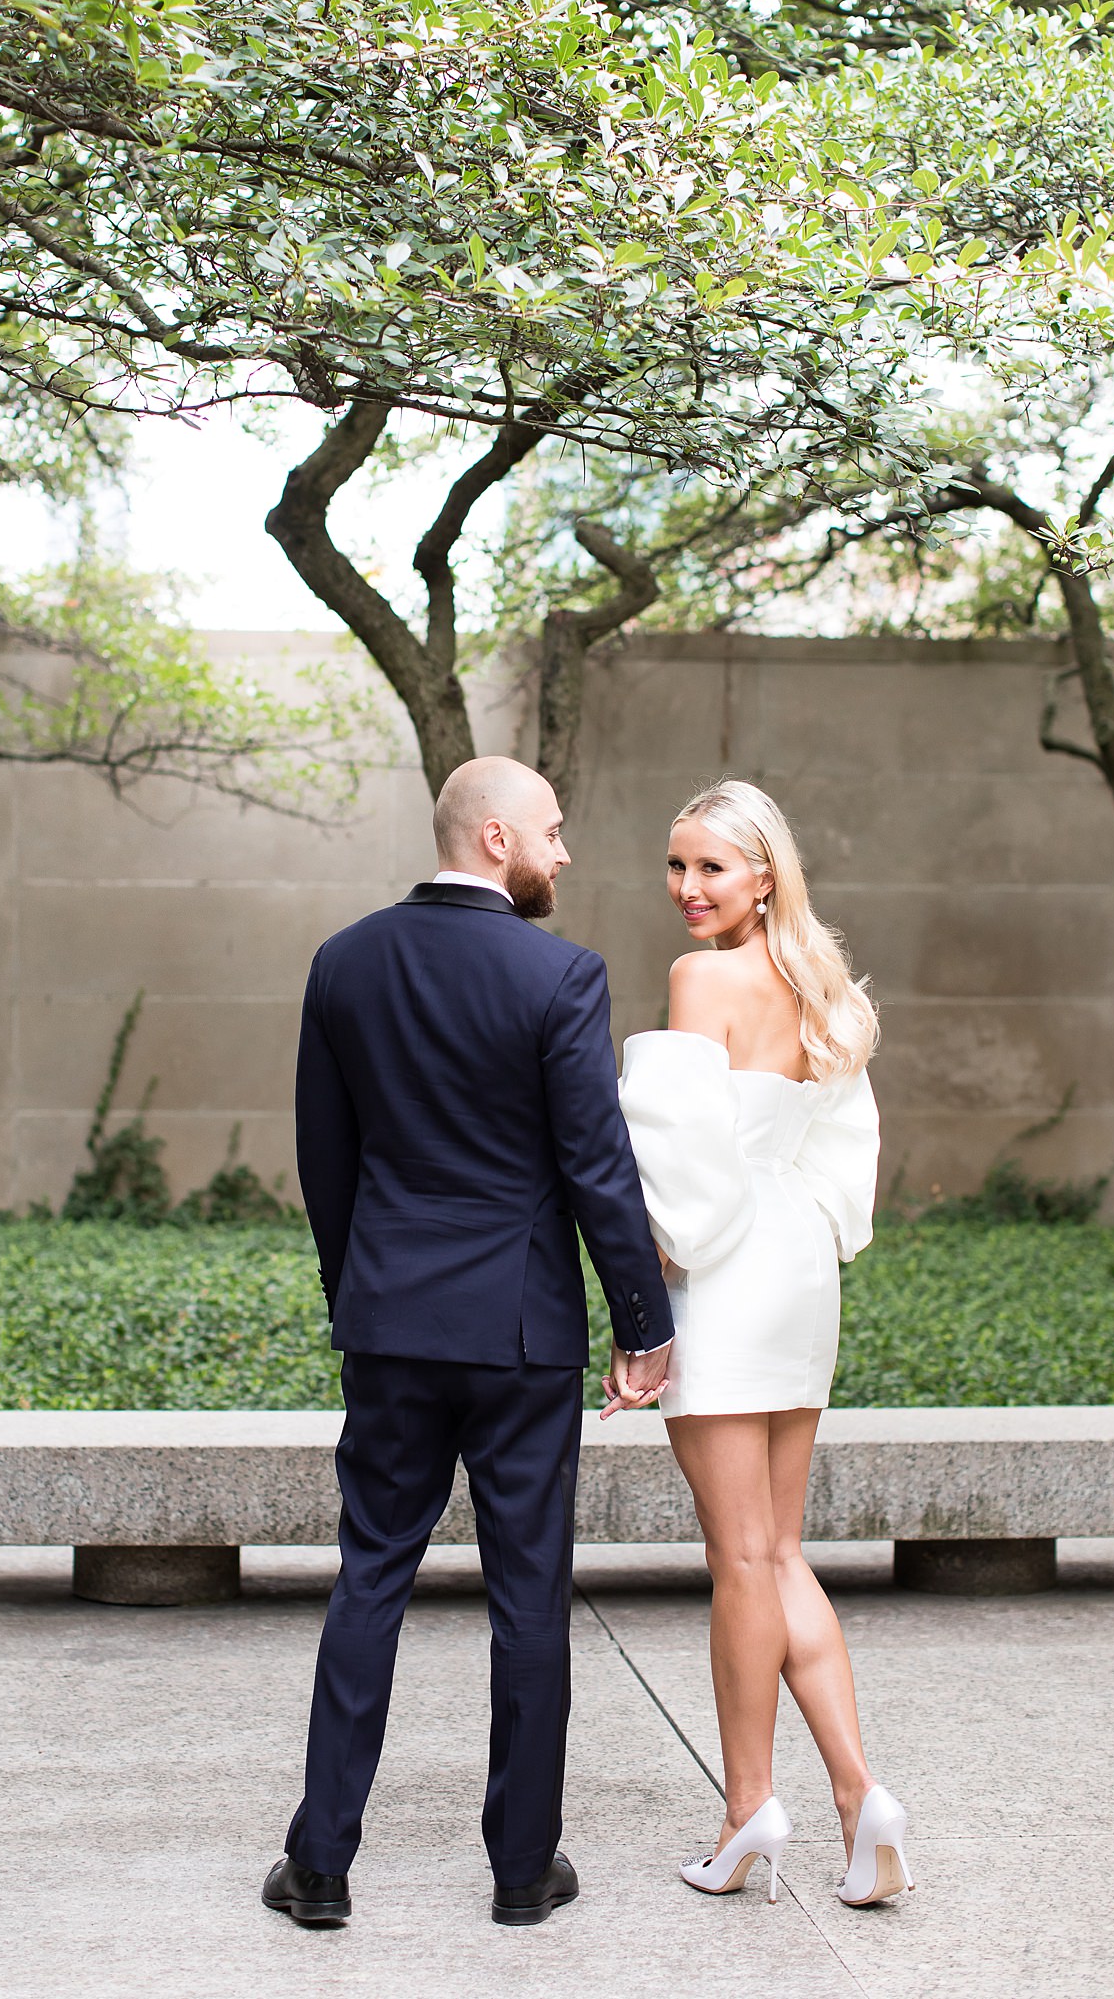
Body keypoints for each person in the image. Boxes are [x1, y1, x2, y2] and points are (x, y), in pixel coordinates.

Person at [263, 755, 674, 1931]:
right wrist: (643, 1327)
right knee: (530, 1595)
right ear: (495, 837)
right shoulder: (561, 975)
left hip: (392, 1318)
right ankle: (520, 1870)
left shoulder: (343, 962)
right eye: (550, 830)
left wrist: (366, 1298)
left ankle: (323, 1864)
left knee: (370, 1576)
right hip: (520, 1332)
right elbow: (597, 1168)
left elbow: (324, 1160)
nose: (561, 852)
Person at [616, 778, 915, 1909]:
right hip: (797, 1265)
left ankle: (749, 1810)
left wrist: (651, 1304)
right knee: (781, 1552)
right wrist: (816, 1231)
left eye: (712, 868)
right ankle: (858, 1797)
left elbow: (678, 1163)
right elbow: (850, 1147)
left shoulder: (703, 977)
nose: (690, 890)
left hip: (727, 1267)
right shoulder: (818, 981)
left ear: (764, 875)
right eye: (678, 867)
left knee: (740, 1558)